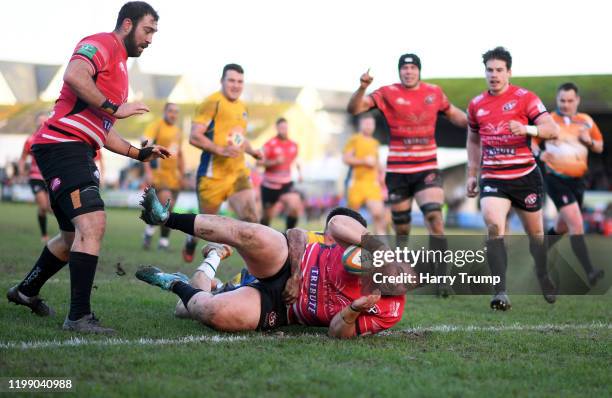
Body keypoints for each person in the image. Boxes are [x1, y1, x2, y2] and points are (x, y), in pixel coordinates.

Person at [7, 2, 169, 334]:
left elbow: (103, 127)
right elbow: (74, 75)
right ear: (127, 24)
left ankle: (25, 291)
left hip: (75, 147)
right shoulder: (100, 43)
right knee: (92, 224)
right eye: (148, 30)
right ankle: (79, 317)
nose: (151, 40)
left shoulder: (121, 67)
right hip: (63, 144)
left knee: (71, 239)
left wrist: (139, 154)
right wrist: (116, 107)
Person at [137, 188, 410, 338]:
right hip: (285, 263)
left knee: (205, 311)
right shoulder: (356, 242)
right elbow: (318, 228)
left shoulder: (389, 310)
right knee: (250, 233)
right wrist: (297, 273)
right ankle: (165, 218)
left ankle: (174, 282)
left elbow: (338, 333)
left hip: (282, 307)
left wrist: (353, 310)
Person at [347, 53, 468, 295]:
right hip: (398, 172)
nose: (409, 71)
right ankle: (399, 269)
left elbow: (458, 116)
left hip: (426, 169)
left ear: (419, 71)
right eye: (405, 68)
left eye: (413, 67)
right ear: (399, 71)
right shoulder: (387, 93)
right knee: (402, 229)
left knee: (434, 217)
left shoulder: (434, 93)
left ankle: (441, 276)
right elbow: (355, 108)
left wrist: (480, 121)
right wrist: (362, 88)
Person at [465, 47, 560, 310]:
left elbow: (553, 129)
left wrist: (528, 128)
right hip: (493, 177)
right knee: (494, 226)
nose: (493, 75)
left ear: (509, 72)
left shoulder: (525, 98)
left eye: (499, 70)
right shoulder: (476, 104)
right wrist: (472, 174)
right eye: (489, 70)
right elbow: (473, 140)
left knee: (536, 236)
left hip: (525, 177)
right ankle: (500, 292)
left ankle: (542, 273)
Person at [182, 63, 262, 263]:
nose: (236, 85)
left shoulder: (242, 107)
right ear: (222, 81)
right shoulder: (211, 103)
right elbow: (194, 136)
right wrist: (220, 150)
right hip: (212, 176)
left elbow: (238, 138)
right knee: (208, 227)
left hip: (237, 174)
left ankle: (256, 270)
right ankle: (191, 239)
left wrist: (253, 151)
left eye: (240, 81)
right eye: (231, 80)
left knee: (252, 218)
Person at [537, 82, 604, 286]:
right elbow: (530, 142)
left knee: (562, 226)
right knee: (576, 223)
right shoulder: (549, 121)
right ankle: (590, 271)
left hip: (578, 181)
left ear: (577, 100)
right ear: (557, 100)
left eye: (569, 100)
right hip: (555, 179)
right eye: (562, 100)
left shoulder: (586, 121)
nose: (565, 104)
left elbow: (600, 147)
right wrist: (540, 153)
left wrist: (588, 141)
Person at [141, 102, 185, 250]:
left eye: (176, 112)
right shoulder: (156, 126)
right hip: (159, 175)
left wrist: (182, 174)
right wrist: (147, 171)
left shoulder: (178, 131)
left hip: (174, 177)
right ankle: (161, 240)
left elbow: (180, 154)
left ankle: (155, 236)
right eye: (171, 111)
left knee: (168, 211)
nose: (174, 114)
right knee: (168, 204)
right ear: (165, 111)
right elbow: (145, 148)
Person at [342, 113, 386, 234]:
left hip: (372, 184)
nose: (369, 126)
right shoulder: (355, 139)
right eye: (366, 123)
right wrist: (363, 161)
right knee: (351, 217)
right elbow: (346, 159)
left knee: (378, 214)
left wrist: (382, 173)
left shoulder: (375, 143)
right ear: (361, 125)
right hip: (357, 183)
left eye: (371, 124)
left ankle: (381, 247)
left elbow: (376, 162)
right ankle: (348, 244)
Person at [258, 118, 303, 229]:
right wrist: (274, 162)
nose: (284, 130)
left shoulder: (293, 145)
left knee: (294, 207)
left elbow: (296, 160)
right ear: (277, 129)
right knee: (267, 217)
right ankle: (263, 237)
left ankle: (289, 236)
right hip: (269, 185)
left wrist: (300, 173)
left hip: (285, 184)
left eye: (285, 127)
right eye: (281, 128)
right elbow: (258, 163)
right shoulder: (269, 145)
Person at [18, 112, 51, 242]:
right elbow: (22, 158)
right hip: (36, 177)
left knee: (50, 208)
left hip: (50, 177)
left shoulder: (52, 139)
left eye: (45, 121)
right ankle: (44, 235)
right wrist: (21, 171)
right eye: (40, 121)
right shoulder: (30, 140)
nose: (42, 123)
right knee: (43, 206)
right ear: (36, 123)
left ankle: (65, 232)